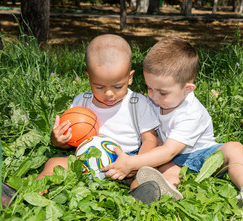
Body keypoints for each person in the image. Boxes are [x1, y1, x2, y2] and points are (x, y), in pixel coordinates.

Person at [102, 36, 243, 207]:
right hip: (171, 160)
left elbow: (169, 150)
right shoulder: (151, 100)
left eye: (162, 92)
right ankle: (162, 190)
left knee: (234, 148)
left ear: (188, 89)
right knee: (167, 171)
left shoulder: (191, 112)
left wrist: (133, 162)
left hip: (202, 155)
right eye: (149, 88)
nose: (153, 96)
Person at [36, 34, 160, 197]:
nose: (109, 93)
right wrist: (58, 140)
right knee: (53, 163)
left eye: (117, 86)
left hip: (125, 162)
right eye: (99, 86)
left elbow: (150, 139)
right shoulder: (82, 101)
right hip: (85, 161)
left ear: (130, 78)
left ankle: (137, 201)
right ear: (89, 78)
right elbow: (70, 141)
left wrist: (135, 164)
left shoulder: (138, 103)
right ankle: (30, 195)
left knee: (146, 176)